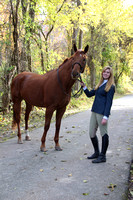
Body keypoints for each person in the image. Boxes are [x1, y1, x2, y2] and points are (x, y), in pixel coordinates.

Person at [80, 66, 115, 163]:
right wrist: (84, 87)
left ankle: (103, 156)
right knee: (91, 133)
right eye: (104, 72)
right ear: (102, 73)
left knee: (104, 133)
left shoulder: (111, 86)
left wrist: (106, 116)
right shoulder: (100, 84)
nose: (106, 73)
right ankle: (96, 152)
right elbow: (90, 94)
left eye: (108, 72)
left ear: (110, 74)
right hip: (94, 111)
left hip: (102, 113)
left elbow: (109, 103)